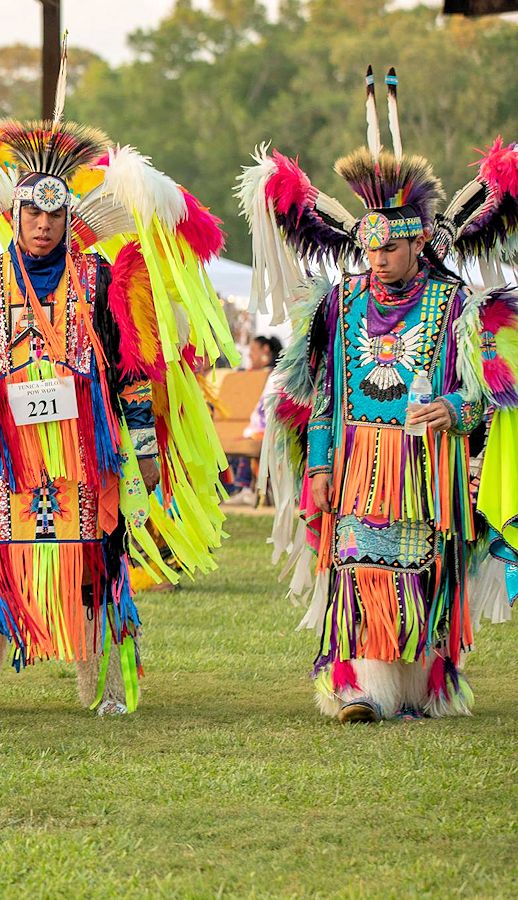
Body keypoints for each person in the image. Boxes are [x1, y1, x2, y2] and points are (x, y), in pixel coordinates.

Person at [0, 111, 234, 717]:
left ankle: (102, 688)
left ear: (68, 217)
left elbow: (131, 374)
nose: (44, 226)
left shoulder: (99, 281)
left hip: (84, 452)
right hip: (6, 457)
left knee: (93, 562)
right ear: (17, 216)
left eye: (54, 215)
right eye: (33, 214)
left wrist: (147, 455)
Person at [242, 68, 518, 721]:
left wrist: (452, 409)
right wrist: (318, 466)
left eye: (390, 248)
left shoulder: (456, 306)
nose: (378, 261)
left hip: (427, 468)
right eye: (370, 249)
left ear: (418, 240)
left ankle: (415, 687)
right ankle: (359, 689)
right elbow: (324, 398)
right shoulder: (341, 302)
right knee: (361, 568)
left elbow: (485, 396)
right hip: (359, 462)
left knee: (420, 572)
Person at [228, 335, 284, 505]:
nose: (249, 355)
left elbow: (269, 407)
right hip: (258, 425)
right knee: (244, 440)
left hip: (270, 427)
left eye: (253, 350)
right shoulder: (267, 374)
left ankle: (247, 489)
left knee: (252, 441)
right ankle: (245, 489)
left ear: (265, 351)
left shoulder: (275, 375)